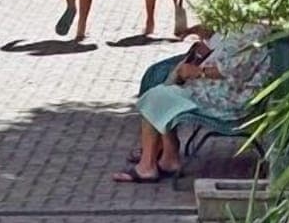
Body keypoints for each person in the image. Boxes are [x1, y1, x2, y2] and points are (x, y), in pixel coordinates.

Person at [114, 25, 270, 183]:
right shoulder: (244, 26)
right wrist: (203, 34)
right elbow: (222, 45)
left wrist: (198, 72)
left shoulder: (255, 31)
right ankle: (169, 158)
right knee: (161, 89)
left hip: (231, 99)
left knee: (156, 97)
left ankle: (147, 166)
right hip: (219, 90)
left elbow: (235, 70)